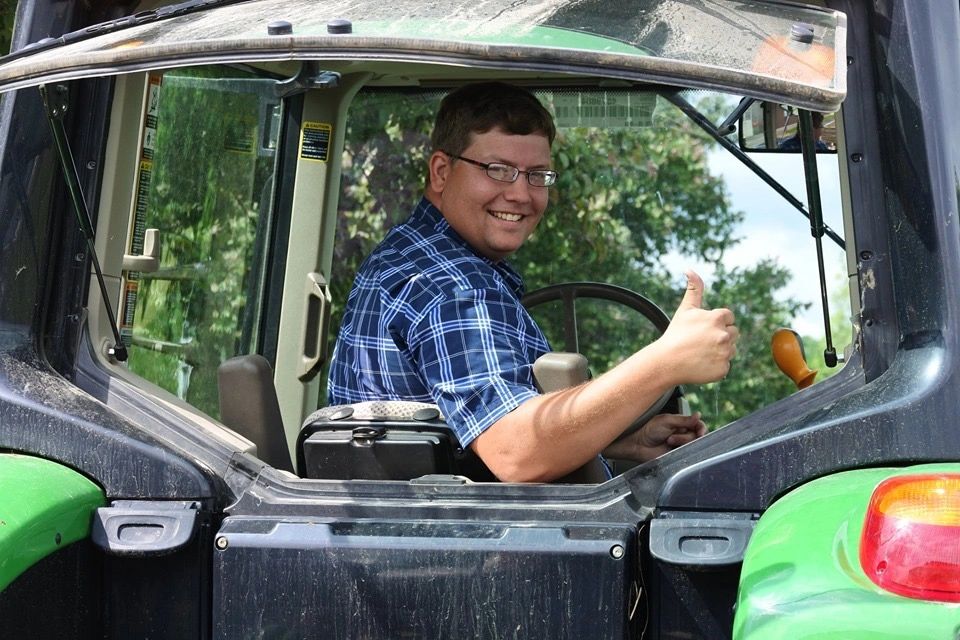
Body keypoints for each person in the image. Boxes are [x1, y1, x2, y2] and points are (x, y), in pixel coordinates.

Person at [327, 82, 738, 483]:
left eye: (537, 175)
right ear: (440, 171)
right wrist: (666, 361)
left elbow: (450, 438)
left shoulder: (403, 252)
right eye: (498, 170)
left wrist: (620, 441)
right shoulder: (456, 286)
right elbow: (515, 453)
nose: (521, 194)